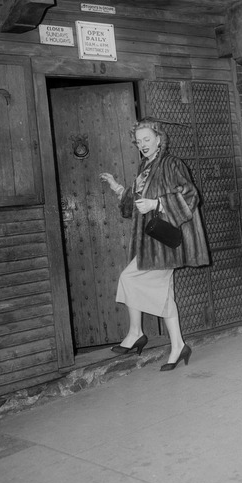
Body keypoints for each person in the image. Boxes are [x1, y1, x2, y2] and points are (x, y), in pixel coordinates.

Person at [100, 118, 210, 370]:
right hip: (151, 244)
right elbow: (137, 201)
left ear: (160, 139)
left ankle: (137, 333)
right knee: (163, 294)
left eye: (147, 139)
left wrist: (157, 204)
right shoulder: (145, 167)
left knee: (130, 279)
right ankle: (177, 345)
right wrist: (118, 187)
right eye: (139, 142)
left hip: (164, 243)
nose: (143, 145)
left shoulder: (172, 164)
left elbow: (191, 195)